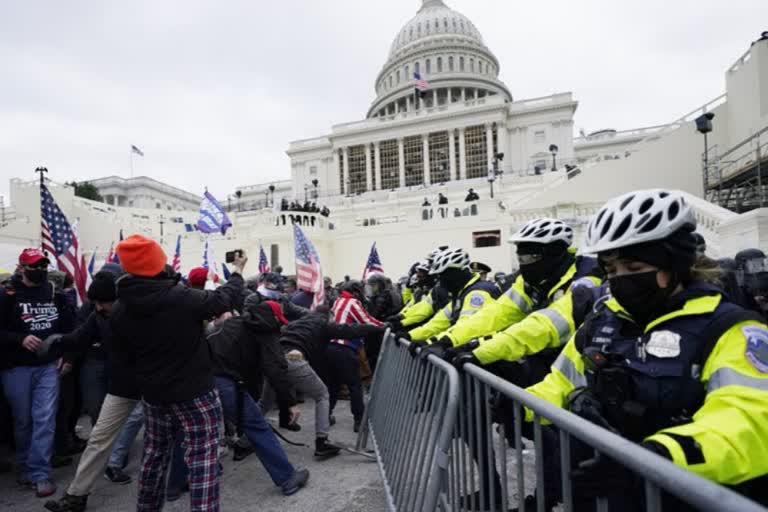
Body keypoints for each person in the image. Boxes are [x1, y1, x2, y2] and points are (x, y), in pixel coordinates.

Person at [524, 189, 768, 509]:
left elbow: (748, 421)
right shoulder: (602, 321)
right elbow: (562, 382)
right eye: (611, 271)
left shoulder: (730, 329)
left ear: (673, 266)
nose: (621, 280)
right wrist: (520, 405)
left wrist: (657, 457)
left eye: (634, 268)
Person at [110, 235, 246, 512]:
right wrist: (237, 271)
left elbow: (122, 356)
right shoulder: (178, 297)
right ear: (158, 263)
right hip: (195, 392)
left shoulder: (120, 308)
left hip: (154, 395)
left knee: (154, 456)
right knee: (203, 458)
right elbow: (223, 299)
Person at [43, 268, 146, 512]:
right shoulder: (99, 316)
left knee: (170, 438)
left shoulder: (143, 312)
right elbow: (80, 336)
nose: (98, 307)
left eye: (104, 302)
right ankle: (76, 496)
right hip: (122, 386)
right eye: (96, 302)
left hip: (154, 385)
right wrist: (58, 340)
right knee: (98, 438)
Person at [206, 301, 310, 494]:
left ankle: (177, 483)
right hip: (225, 383)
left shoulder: (233, 323)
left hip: (199, 379)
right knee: (258, 428)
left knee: (197, 431)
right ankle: (288, 479)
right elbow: (275, 370)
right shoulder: (266, 332)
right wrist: (290, 403)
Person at [0, 249, 76, 498]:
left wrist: (68, 357)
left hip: (48, 367)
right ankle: (23, 466)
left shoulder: (54, 293)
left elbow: (69, 330)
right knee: (23, 421)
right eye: (35, 265)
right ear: (21, 267)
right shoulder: (6, 295)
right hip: (16, 368)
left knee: (44, 419)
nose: (41, 270)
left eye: (44, 265)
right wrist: (20, 339)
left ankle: (40, 472)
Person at [404, 247, 500, 348]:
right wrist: (410, 335)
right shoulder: (461, 293)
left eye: (443, 276)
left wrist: (433, 342)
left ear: (454, 273)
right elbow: (438, 323)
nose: (441, 282)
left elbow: (465, 327)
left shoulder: (478, 293)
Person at [327, 280, 384, 432]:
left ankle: (326, 415)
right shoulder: (352, 302)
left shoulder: (337, 301)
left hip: (330, 347)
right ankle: (359, 421)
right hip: (345, 347)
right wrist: (384, 326)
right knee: (354, 385)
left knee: (333, 385)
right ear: (356, 291)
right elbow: (367, 321)